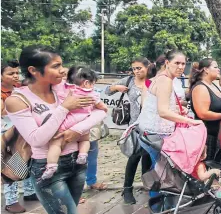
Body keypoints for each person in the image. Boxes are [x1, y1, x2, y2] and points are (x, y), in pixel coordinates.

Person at [5, 45, 107, 214]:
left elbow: (101, 110)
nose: (63, 71)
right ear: (33, 70)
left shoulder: (64, 88)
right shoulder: (18, 100)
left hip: (77, 164)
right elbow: (37, 139)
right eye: (56, 66)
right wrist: (64, 108)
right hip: (48, 169)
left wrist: (75, 131)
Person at [42, 67, 107, 180]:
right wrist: (104, 108)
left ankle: (51, 165)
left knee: (55, 144)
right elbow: (101, 107)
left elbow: (55, 86)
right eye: (93, 83)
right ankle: (82, 155)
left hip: (67, 122)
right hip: (83, 122)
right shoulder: (92, 94)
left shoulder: (66, 89)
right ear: (87, 83)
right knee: (85, 140)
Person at [105, 57, 155, 204]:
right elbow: (107, 91)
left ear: (147, 67)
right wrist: (116, 88)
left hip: (151, 125)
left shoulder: (153, 81)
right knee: (133, 157)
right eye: (134, 68)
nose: (136, 71)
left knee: (147, 158)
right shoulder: (129, 81)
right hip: (135, 126)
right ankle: (127, 189)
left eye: (139, 68)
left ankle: (148, 185)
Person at [138, 50, 203, 161]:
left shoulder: (164, 78)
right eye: (177, 63)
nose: (181, 67)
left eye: (183, 64)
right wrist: (190, 121)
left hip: (151, 133)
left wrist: (176, 109)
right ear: (167, 63)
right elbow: (162, 111)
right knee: (164, 174)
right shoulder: (165, 80)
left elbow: (158, 106)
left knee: (159, 170)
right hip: (156, 134)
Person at [1, 59, 38, 213]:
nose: (15, 76)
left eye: (17, 73)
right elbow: (3, 112)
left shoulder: (19, 88)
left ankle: (29, 192)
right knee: (11, 166)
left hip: (21, 130)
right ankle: (11, 201)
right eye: (11, 73)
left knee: (28, 160)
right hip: (6, 133)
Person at [190, 58, 221, 163]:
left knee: (216, 170)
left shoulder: (213, 85)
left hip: (218, 135)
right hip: (207, 137)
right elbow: (203, 113)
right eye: (215, 67)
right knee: (207, 167)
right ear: (206, 70)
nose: (219, 69)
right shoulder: (201, 88)